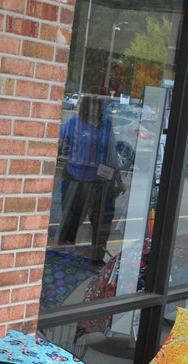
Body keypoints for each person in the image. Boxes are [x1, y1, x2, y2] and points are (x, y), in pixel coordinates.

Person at [56, 93, 123, 264]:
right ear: (86, 105)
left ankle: (97, 259)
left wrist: (119, 179)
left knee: (101, 225)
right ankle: (64, 257)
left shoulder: (106, 125)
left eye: (99, 104)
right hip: (76, 180)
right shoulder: (75, 123)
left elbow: (112, 153)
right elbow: (59, 142)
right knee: (71, 222)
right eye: (93, 104)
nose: (96, 107)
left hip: (100, 183)